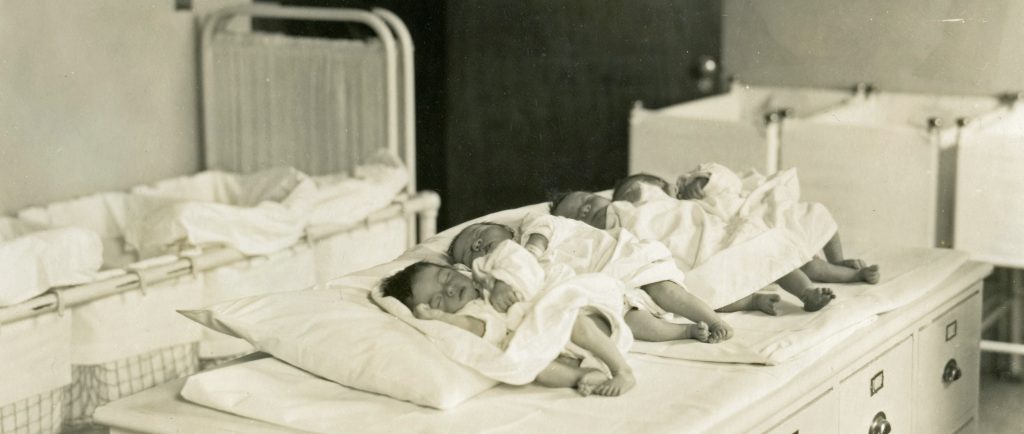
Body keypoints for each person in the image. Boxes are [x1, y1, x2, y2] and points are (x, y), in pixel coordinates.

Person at [449, 215, 742, 342]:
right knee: (627, 322)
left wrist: (530, 250)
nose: (476, 246)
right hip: (607, 288)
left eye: (478, 235)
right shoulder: (510, 274)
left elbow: (543, 232)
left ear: (507, 230)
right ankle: (685, 332)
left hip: (621, 259)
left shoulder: (531, 228)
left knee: (665, 290)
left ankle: (714, 320)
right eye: (469, 253)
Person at [552, 190, 838, 312]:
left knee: (764, 249)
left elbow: (672, 204)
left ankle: (806, 292)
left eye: (588, 201)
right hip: (684, 259)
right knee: (701, 290)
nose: (588, 210)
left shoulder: (637, 204)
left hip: (707, 234)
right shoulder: (612, 241)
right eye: (580, 214)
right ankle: (753, 299)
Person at [380, 261, 635, 397]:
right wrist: (442, 317)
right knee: (535, 370)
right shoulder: (470, 312)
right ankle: (582, 377)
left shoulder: (490, 274)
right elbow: (477, 327)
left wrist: (501, 283)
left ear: (456, 270)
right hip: (548, 345)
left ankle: (622, 370)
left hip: (577, 323)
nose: (448, 290)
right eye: (438, 300)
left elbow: (522, 266)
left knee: (571, 317)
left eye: (446, 279)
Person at [613, 166, 880, 285]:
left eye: (641, 190)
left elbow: (730, 179)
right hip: (747, 229)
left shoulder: (692, 180)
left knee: (816, 213)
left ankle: (840, 259)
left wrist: (707, 180)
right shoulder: (675, 211)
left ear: (662, 183)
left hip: (758, 209)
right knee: (795, 259)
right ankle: (852, 276)